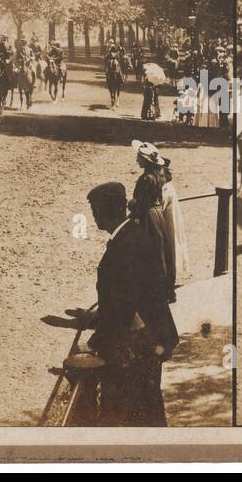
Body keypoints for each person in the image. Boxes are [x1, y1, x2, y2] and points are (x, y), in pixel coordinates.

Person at [83, 181, 178, 426]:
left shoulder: (127, 245)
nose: (94, 218)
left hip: (137, 347)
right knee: (148, 410)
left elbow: (122, 307)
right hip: (149, 341)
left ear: (108, 211)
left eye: (95, 212)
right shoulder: (132, 235)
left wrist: (97, 341)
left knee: (135, 412)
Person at [129, 141, 187, 303]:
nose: (136, 160)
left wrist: (132, 205)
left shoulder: (146, 179)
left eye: (139, 157)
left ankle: (153, 291)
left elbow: (141, 202)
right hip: (158, 216)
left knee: (151, 252)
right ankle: (168, 290)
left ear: (145, 160)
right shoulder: (160, 177)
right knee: (163, 250)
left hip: (148, 216)